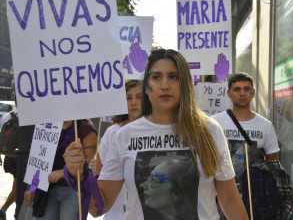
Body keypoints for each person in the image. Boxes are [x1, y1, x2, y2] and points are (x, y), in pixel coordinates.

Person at [63, 49, 249, 220]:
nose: (165, 85)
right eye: (156, 77)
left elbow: (231, 202)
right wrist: (78, 177)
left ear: (184, 84)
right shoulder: (123, 136)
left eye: (174, 77)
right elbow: (98, 208)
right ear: (146, 87)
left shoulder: (209, 131)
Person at [212, 72, 280, 191]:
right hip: (222, 193)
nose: (242, 93)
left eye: (246, 89)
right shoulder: (215, 122)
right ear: (229, 93)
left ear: (253, 92)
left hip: (255, 195)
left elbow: (273, 165)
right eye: (237, 89)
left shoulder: (266, 125)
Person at [89, 80, 142, 220]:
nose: (134, 102)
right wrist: (95, 169)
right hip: (116, 212)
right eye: (128, 98)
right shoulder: (112, 132)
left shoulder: (154, 130)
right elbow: (98, 167)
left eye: (139, 97)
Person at [24, 120, 97, 220]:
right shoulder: (45, 126)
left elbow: (92, 163)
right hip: (46, 191)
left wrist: (64, 172)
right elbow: (39, 159)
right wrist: (31, 188)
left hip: (73, 191)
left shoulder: (85, 130)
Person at [0, 106, 18, 220]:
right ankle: (3, 209)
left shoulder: (8, 116)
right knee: (20, 185)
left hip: (8, 156)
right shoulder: (29, 115)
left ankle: (17, 210)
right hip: (20, 156)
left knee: (16, 184)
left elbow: (1, 135)